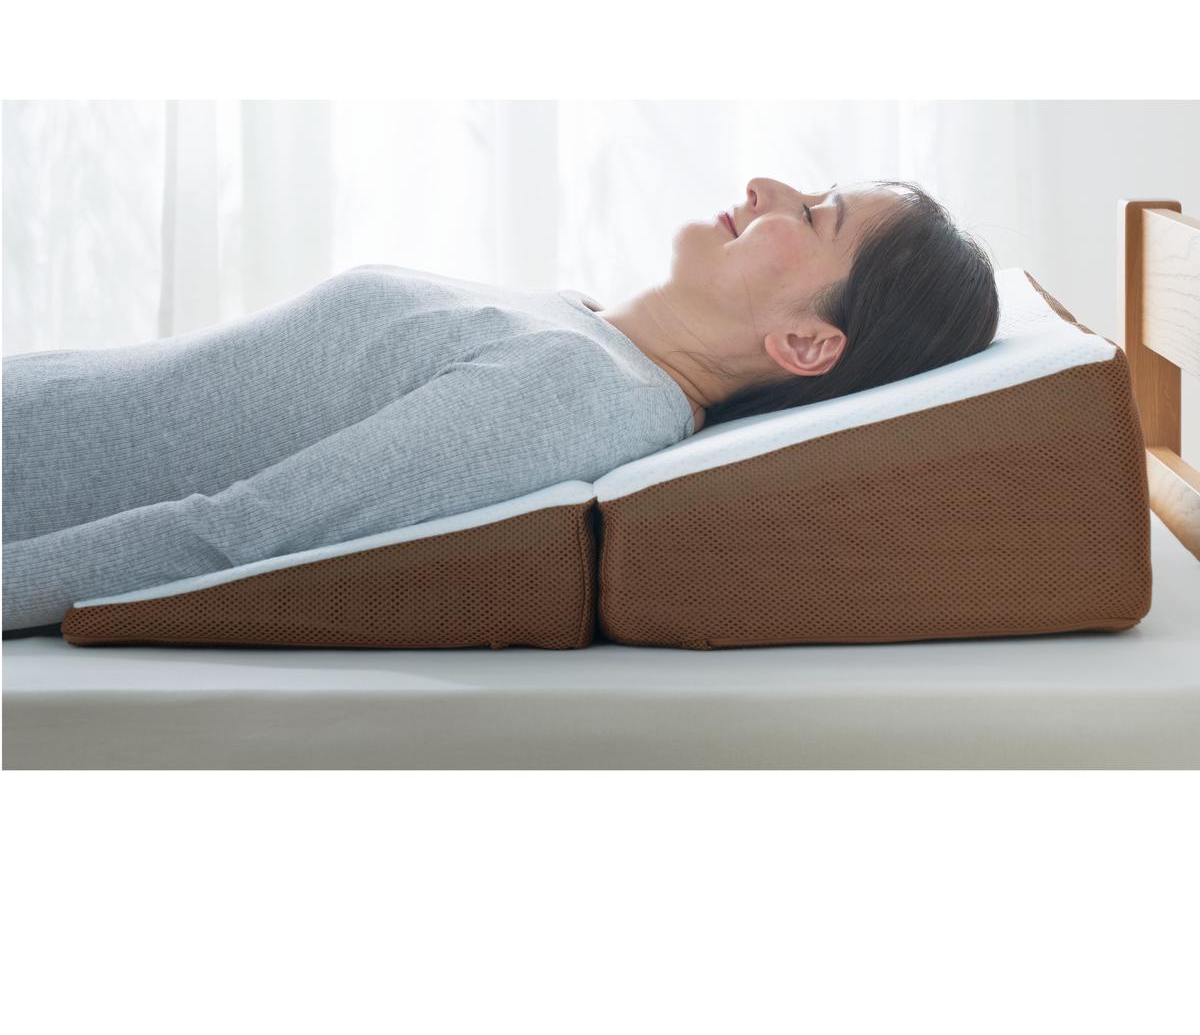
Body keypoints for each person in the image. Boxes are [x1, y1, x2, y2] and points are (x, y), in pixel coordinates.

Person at [1, 176, 998, 632]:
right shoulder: (584, 334)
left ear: (808, 342)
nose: (766, 185)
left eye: (814, 216)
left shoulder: (577, 395)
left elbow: (241, 536)